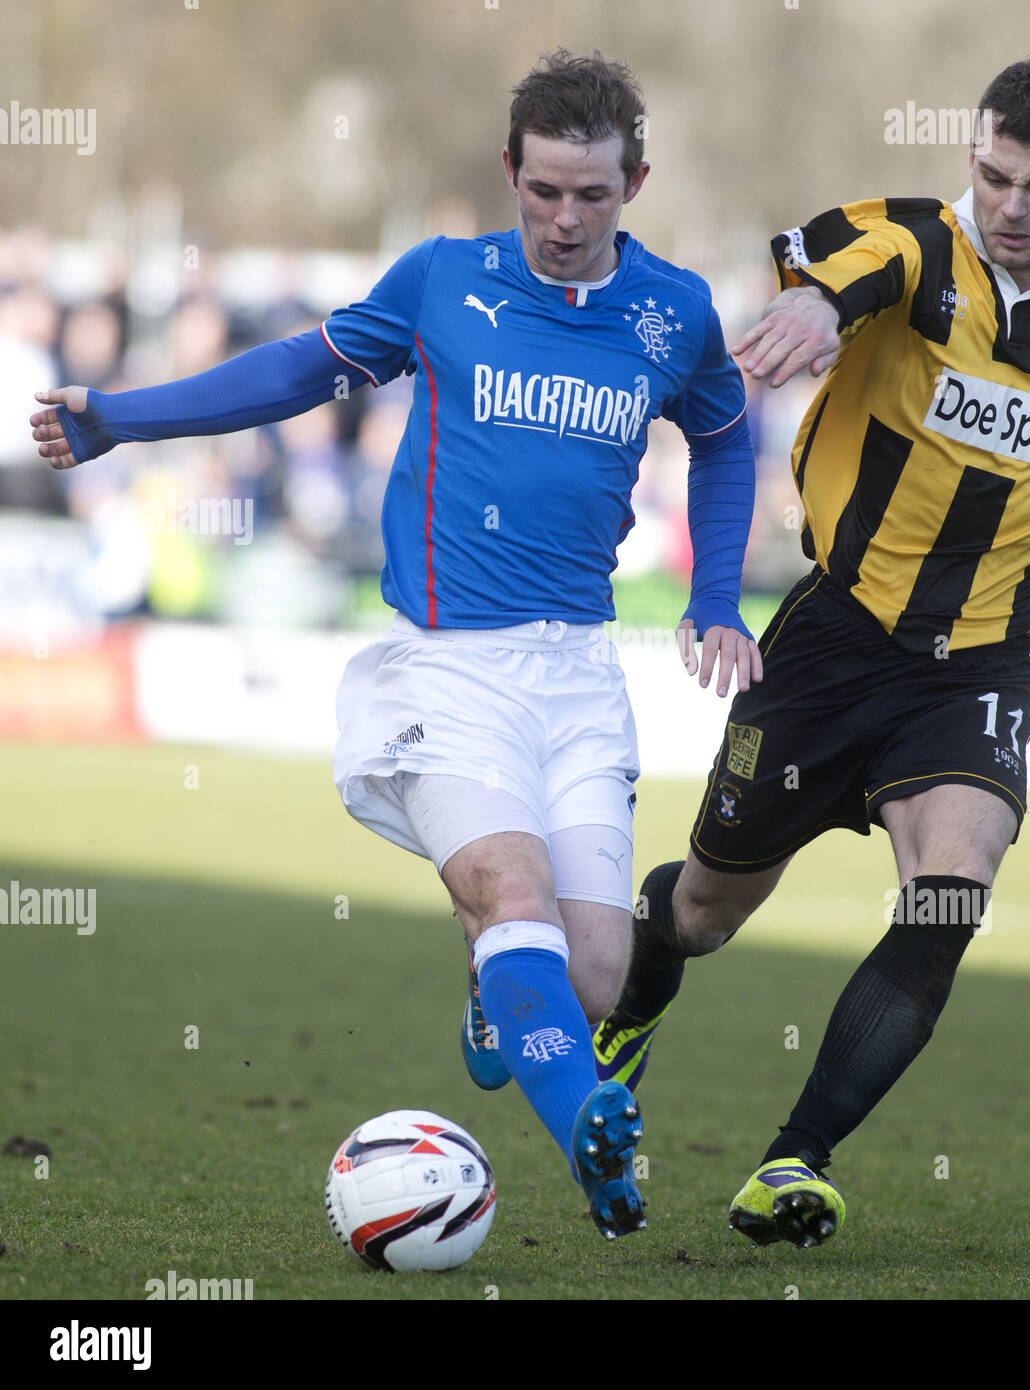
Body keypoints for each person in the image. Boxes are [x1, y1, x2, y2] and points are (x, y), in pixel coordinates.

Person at [30, 49, 762, 1242]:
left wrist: (718, 594)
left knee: (593, 975)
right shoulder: (442, 282)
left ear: (637, 178)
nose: (565, 220)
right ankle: (594, 1133)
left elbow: (727, 438)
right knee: (512, 893)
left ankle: (497, 988)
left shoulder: (672, 309)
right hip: (445, 667)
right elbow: (294, 372)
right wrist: (123, 418)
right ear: (508, 171)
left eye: (592, 195)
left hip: (578, 673)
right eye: (543, 192)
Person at [593, 54, 1030, 1248]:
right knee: (709, 905)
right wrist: (816, 308)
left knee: (947, 897)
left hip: (978, 664)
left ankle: (792, 1161)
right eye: (990, 176)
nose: (1010, 206)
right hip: (834, 637)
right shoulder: (919, 246)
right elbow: (845, 264)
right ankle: (636, 994)